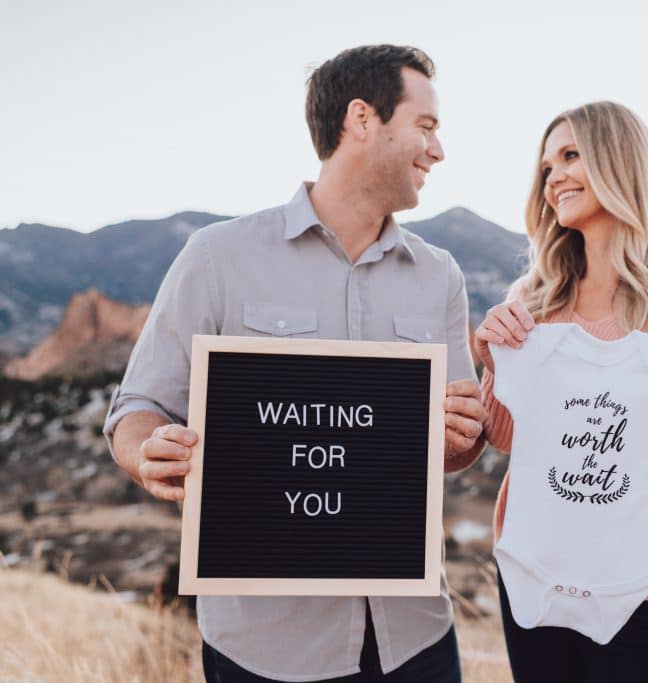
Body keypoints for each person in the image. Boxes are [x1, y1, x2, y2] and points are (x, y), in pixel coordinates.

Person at [104, 45, 486, 683]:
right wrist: (149, 453)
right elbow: (135, 411)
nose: (437, 150)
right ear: (362, 120)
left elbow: (452, 449)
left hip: (414, 637)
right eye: (425, 127)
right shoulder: (217, 256)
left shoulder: (439, 275)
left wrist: (465, 435)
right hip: (267, 649)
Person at [472, 101, 648, 682]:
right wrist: (491, 362)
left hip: (642, 581)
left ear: (621, 162)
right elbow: (508, 438)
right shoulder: (533, 296)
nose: (554, 179)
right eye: (547, 166)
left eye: (571, 156)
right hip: (534, 570)